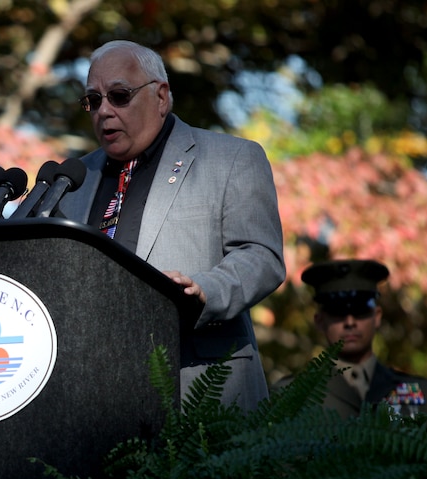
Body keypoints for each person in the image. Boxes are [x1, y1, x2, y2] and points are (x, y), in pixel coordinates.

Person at [55, 40, 285, 411]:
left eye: (119, 95)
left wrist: (206, 291)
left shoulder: (231, 159)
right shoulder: (75, 180)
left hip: (202, 386)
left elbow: (261, 255)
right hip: (97, 396)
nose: (104, 111)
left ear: (161, 97)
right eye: (93, 101)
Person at [281, 259, 427, 425]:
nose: (350, 322)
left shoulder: (423, 394)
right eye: (337, 311)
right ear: (319, 321)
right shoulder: (289, 397)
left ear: (377, 316)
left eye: (360, 310)